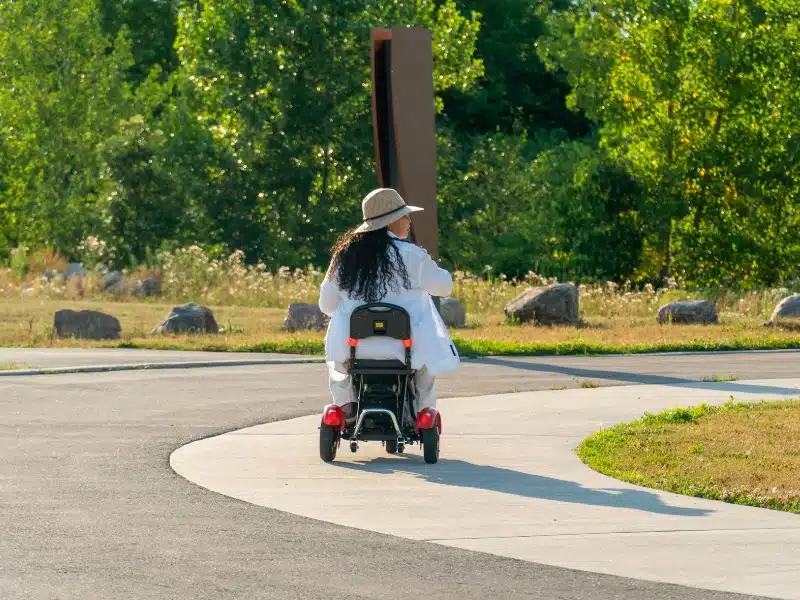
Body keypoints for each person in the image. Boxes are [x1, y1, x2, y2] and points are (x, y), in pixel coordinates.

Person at [318, 188, 460, 422]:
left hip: (354, 349)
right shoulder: (413, 256)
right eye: (405, 215)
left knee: (335, 354)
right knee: (426, 364)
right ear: (391, 221)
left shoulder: (344, 257)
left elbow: (327, 304)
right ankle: (421, 413)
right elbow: (444, 287)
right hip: (406, 351)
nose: (408, 221)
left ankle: (345, 406)